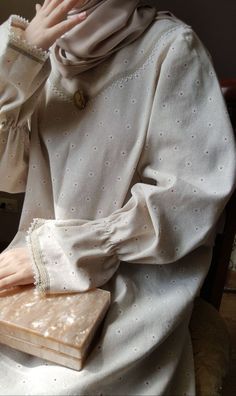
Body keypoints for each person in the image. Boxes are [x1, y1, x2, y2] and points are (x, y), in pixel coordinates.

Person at [0, 0, 235, 394]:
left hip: (135, 275)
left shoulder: (170, 49)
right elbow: (9, 174)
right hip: (34, 262)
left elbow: (186, 200)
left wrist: (65, 252)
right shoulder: (33, 46)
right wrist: (19, 64)